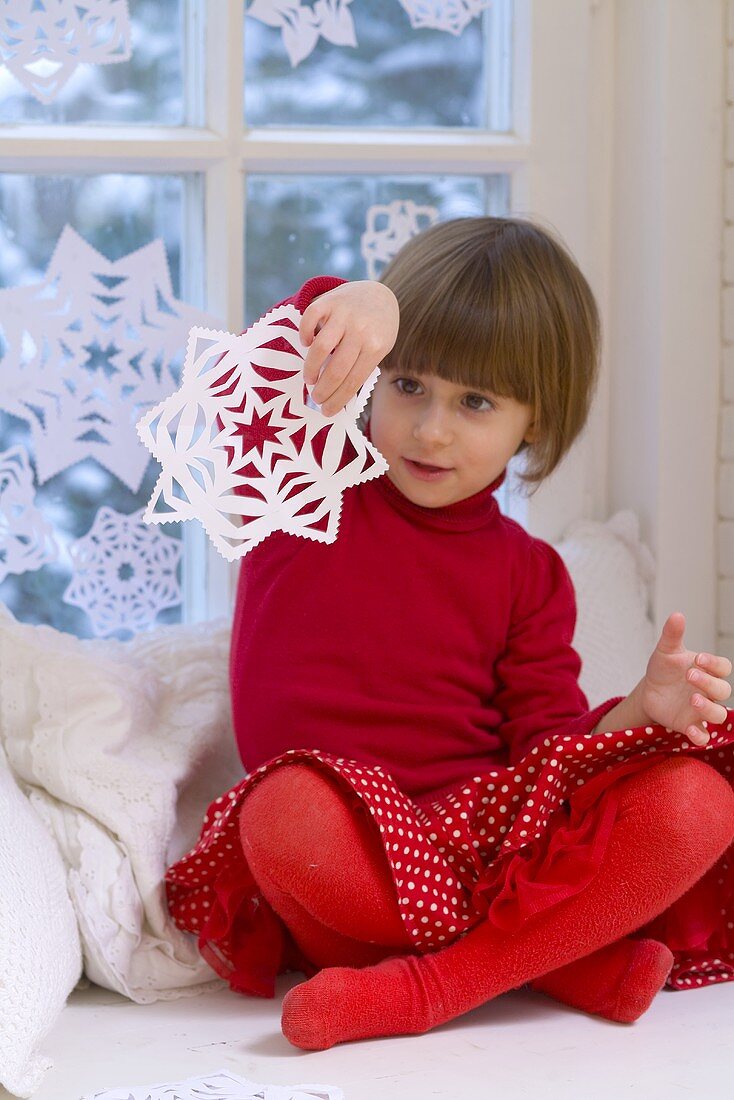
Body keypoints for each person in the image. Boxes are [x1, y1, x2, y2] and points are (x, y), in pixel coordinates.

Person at [165, 217, 734, 1051]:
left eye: (474, 402)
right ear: (371, 371)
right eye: (408, 386)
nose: (431, 430)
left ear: (534, 420)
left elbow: (546, 750)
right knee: (282, 812)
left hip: (477, 843)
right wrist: (354, 303)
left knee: (699, 803)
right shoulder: (304, 490)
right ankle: (542, 962)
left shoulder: (530, 571)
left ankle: (430, 988)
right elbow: (246, 389)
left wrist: (638, 715)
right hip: (345, 864)